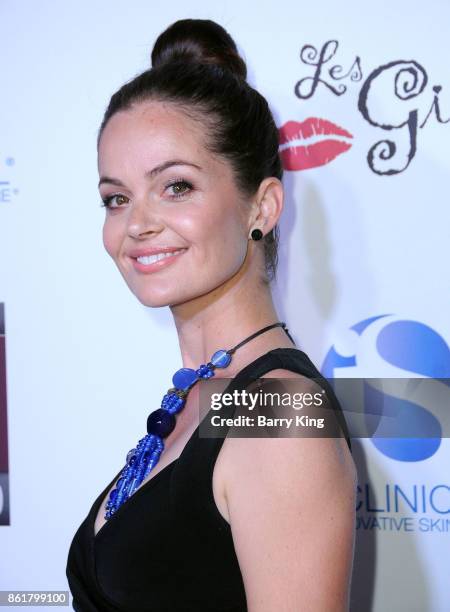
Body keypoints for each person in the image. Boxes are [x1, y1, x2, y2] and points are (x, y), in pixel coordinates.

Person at [66, 18, 357, 612]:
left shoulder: (278, 414)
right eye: (116, 198)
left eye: (175, 186)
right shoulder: (205, 392)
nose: (136, 223)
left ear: (264, 205)